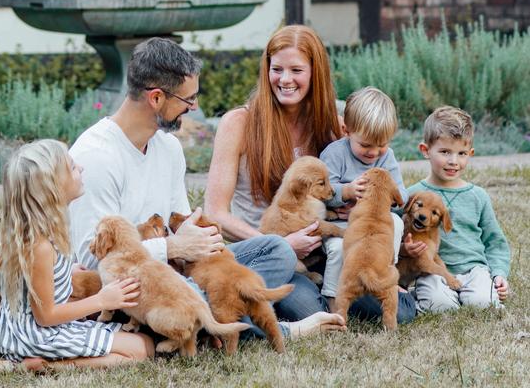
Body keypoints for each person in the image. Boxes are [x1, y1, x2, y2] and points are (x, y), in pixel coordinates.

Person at [68, 37, 345, 343]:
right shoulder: (97, 156)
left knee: (277, 250)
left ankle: (213, 316)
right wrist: (172, 248)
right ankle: (272, 329)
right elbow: (95, 261)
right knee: (198, 297)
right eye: (188, 99)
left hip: (178, 273)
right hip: (137, 288)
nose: (195, 107)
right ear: (156, 98)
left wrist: (200, 236)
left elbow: (182, 225)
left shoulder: (168, 147)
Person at [205, 25, 415, 324]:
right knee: (309, 309)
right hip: (270, 252)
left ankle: (326, 287)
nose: (285, 79)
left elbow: (360, 175)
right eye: (277, 69)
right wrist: (280, 246)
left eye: (296, 70)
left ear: (315, 73)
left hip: (326, 247)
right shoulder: (238, 123)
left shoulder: (331, 125)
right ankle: (293, 293)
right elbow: (216, 214)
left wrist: (355, 206)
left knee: (402, 310)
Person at [0, 139, 154, 369]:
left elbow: (37, 281)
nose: (81, 168)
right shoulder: (40, 247)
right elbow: (46, 316)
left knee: (141, 339)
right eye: (72, 167)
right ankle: (46, 366)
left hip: (22, 330)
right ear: (52, 187)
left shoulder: (41, 231)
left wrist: (67, 271)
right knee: (142, 349)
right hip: (35, 337)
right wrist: (102, 300)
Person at [408, 106, 510, 312]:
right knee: (440, 306)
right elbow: (392, 229)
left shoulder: (478, 196)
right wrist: (405, 249)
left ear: (470, 154)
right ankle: (425, 296)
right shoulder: (413, 194)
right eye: (445, 152)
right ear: (426, 150)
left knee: (483, 303)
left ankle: (481, 291)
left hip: (474, 269)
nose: (453, 161)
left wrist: (499, 273)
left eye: (461, 153)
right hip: (433, 269)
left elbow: (495, 241)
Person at [318, 86, 407, 312]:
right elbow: (322, 192)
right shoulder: (334, 154)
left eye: (382, 145)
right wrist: (346, 192)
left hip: (374, 226)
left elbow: (401, 194)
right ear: (346, 131)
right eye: (366, 145)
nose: (374, 153)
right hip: (342, 226)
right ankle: (332, 296)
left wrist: (380, 201)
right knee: (338, 249)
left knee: (396, 222)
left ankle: (385, 271)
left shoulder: (387, 157)